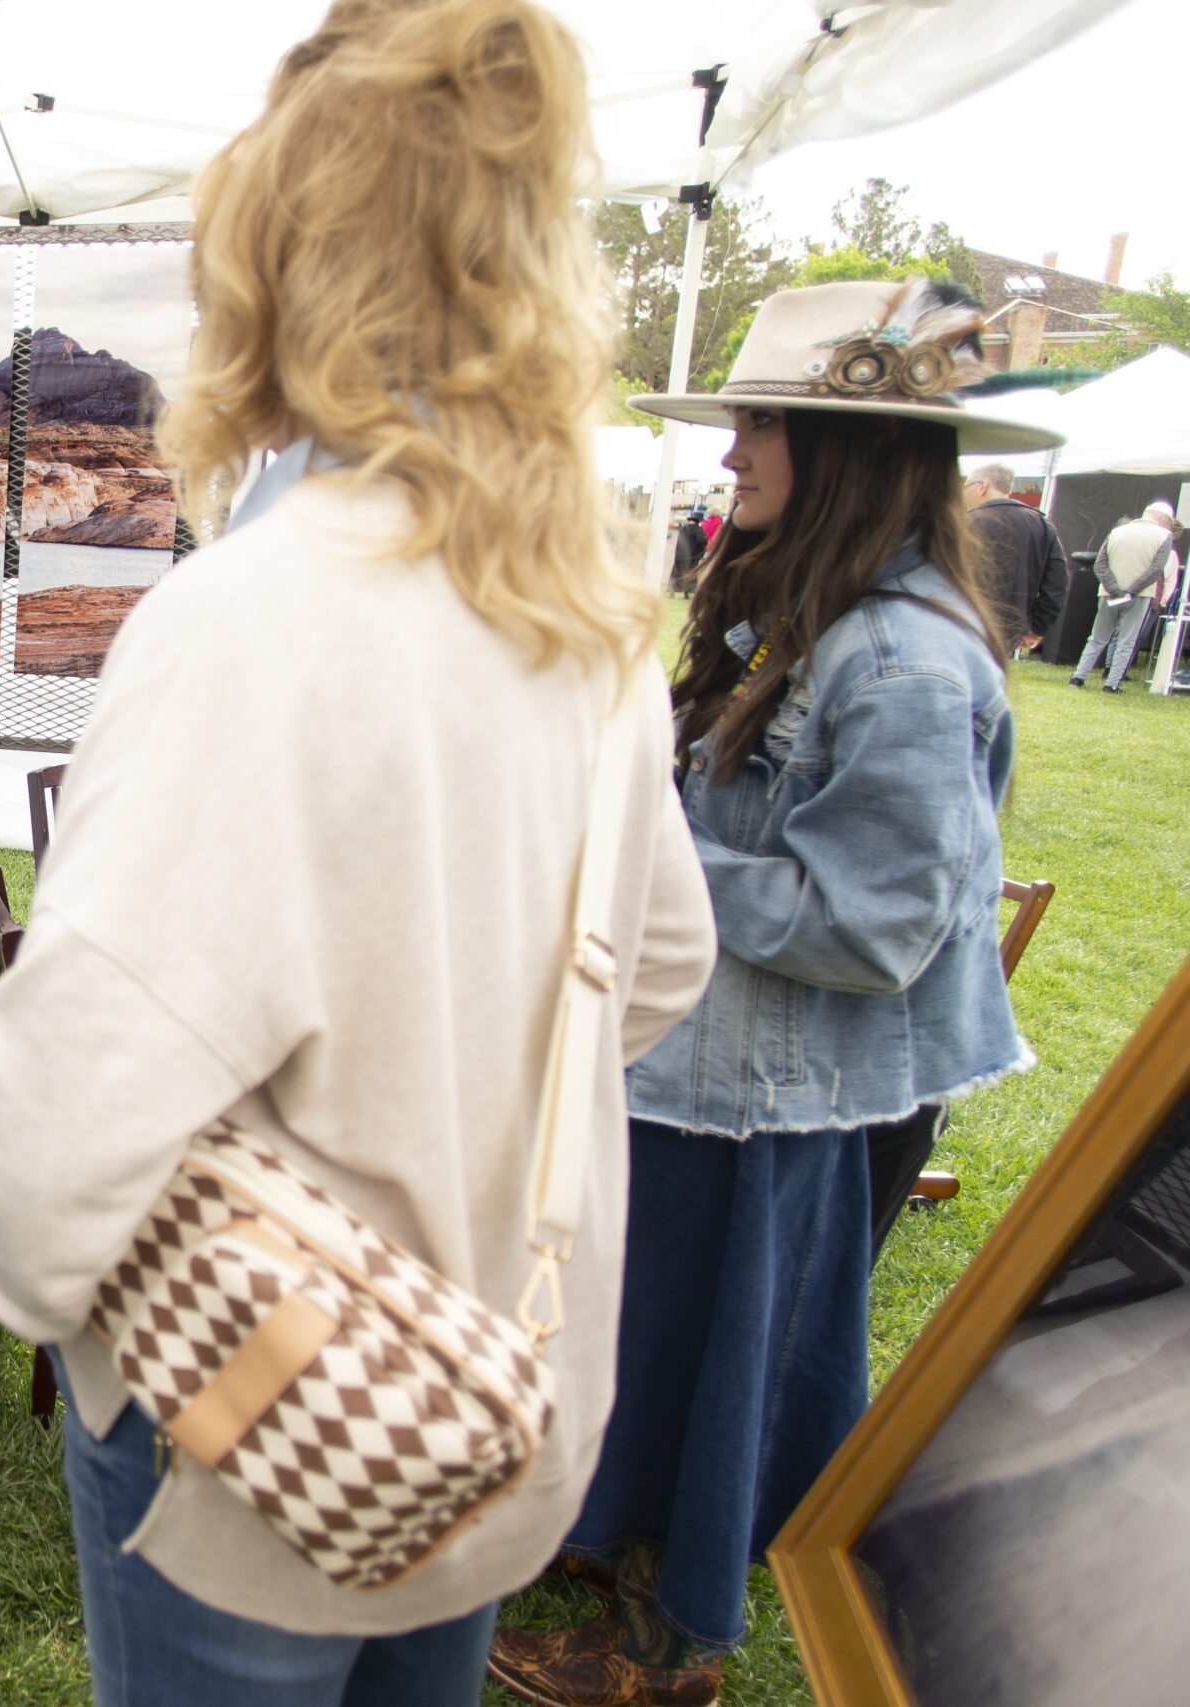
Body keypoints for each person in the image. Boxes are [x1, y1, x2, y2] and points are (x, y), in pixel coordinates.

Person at [0, 3, 719, 1700]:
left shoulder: (260, 616)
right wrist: (440, 1107)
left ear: (278, 258)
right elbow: (660, 967)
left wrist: (61, 1288)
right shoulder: (585, 621)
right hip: (490, 1398)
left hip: (260, 1423)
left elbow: (59, 1120)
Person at [489, 278, 1063, 1707]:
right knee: (651, 1331)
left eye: (762, 426)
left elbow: (870, 928)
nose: (734, 453)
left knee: (720, 1370)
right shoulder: (813, 608)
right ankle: (612, 1545)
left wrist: (644, 855)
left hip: (779, 1104)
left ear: (853, 453)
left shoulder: (907, 661)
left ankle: (667, 1643)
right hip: (709, 1071)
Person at [1071, 500, 1178, 691]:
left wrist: (1114, 588)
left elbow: (1100, 565)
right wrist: (1132, 590)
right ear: (1163, 519)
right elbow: (1156, 570)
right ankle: (1111, 685)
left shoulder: (1117, 531)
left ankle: (1078, 677)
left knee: (1097, 637)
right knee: (1126, 641)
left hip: (1108, 593)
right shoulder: (1164, 536)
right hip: (1140, 595)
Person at [962, 461, 1065, 658]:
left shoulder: (964, 524)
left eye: (967, 486)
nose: (965, 494)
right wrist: (1037, 627)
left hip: (962, 621)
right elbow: (1056, 585)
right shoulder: (1042, 526)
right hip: (1008, 629)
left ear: (982, 486)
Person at [671, 509, 708, 593]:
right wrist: (701, 551)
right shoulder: (698, 529)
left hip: (680, 554)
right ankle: (688, 591)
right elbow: (701, 541)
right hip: (692, 555)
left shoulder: (683, 528)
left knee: (677, 572)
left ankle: (672, 589)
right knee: (691, 573)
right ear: (699, 521)